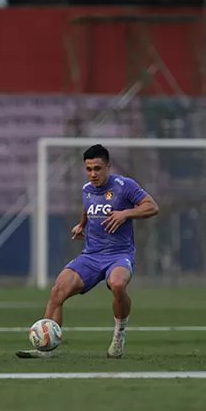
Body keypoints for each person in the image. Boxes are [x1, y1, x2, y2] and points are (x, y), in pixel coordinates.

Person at [16, 144, 159, 359]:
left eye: (98, 168)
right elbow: (88, 207)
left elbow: (152, 207)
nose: (93, 174)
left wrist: (125, 214)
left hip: (119, 254)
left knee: (118, 285)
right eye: (89, 169)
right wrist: (82, 225)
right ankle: (44, 349)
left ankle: (119, 335)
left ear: (108, 167)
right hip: (91, 256)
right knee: (57, 291)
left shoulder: (125, 185)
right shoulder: (87, 190)